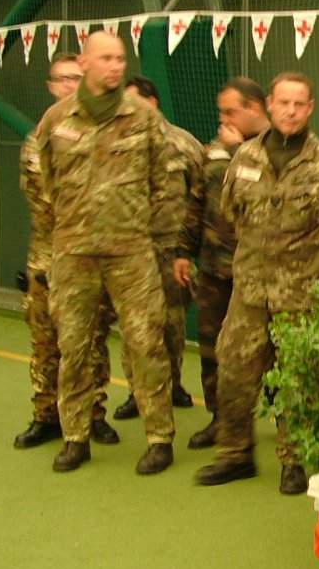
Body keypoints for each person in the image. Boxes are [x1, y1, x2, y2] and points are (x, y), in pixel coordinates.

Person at [194, 72, 319, 494]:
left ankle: (295, 461)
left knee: (299, 380)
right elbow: (233, 214)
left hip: (302, 297)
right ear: (269, 104)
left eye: (299, 104)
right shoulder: (243, 158)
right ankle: (235, 454)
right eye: (283, 102)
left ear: (311, 108)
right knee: (234, 371)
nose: (291, 111)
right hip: (248, 294)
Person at [36, 32, 176, 475]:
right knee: (74, 345)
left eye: (121, 58)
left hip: (130, 252)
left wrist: (129, 220)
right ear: (85, 62)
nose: (116, 66)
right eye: (107, 58)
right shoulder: (57, 119)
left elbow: (162, 180)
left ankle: (159, 438)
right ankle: (75, 435)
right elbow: (45, 181)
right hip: (74, 251)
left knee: (145, 343)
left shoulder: (143, 118)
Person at [14, 52, 120, 449]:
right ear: (51, 85)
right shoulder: (39, 140)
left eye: (78, 78)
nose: (70, 86)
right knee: (45, 343)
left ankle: (94, 415)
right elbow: (50, 201)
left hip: (93, 259)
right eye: (63, 79)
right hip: (48, 259)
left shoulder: (106, 134)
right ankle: (46, 417)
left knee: (93, 343)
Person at [174, 77, 270, 450]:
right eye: (222, 111)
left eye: (230, 111)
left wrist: (236, 153)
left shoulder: (277, 148)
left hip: (261, 275)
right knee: (214, 351)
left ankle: (288, 438)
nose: (223, 118)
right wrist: (184, 251)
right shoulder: (217, 148)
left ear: (255, 109)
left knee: (274, 357)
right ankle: (222, 422)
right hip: (216, 268)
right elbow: (198, 199)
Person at [112, 76, 204, 420]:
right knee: (133, 324)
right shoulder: (117, 144)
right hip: (130, 249)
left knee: (173, 322)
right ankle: (138, 391)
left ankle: (174, 383)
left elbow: (201, 193)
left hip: (171, 250)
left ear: (152, 103)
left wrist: (189, 248)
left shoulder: (182, 144)